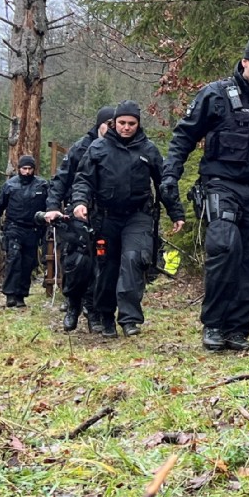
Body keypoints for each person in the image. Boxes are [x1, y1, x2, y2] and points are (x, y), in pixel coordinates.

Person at [162, 37, 249, 353]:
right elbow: (184, 136)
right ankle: (214, 324)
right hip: (220, 184)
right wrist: (170, 174)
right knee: (225, 247)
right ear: (245, 63)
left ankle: (238, 330)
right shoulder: (215, 96)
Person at [71, 101, 186, 337]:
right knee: (107, 267)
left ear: (138, 124)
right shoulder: (97, 149)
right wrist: (80, 203)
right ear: (114, 123)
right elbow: (83, 180)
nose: (126, 127)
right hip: (105, 217)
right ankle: (105, 316)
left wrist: (176, 212)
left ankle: (129, 318)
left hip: (138, 215)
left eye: (131, 123)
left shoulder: (148, 150)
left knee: (134, 259)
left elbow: (163, 183)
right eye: (122, 123)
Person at [41, 104, 115, 333]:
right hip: (77, 211)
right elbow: (60, 180)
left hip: (105, 213)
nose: (112, 129)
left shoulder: (119, 148)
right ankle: (73, 303)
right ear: (99, 124)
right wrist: (53, 206)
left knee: (101, 263)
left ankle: (94, 311)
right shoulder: (80, 148)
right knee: (76, 262)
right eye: (108, 124)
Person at [0, 155, 49, 308]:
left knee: (28, 263)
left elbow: (51, 204)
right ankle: (10, 294)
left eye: (30, 169)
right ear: (19, 169)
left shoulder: (42, 185)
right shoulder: (10, 186)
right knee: (14, 259)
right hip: (14, 228)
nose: (27, 172)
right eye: (24, 168)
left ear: (34, 169)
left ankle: (21, 295)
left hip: (33, 230)